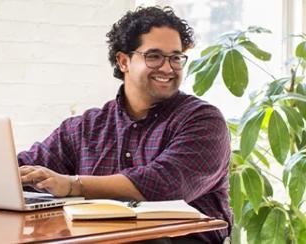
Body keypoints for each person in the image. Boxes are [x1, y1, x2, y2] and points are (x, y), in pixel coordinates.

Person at [17, 6, 231, 244]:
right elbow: (24, 169)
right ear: (123, 61)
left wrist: (71, 185)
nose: (168, 68)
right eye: (154, 56)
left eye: (175, 57)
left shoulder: (202, 120)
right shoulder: (85, 128)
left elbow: (163, 185)